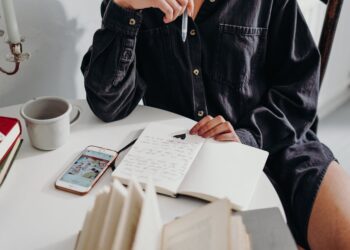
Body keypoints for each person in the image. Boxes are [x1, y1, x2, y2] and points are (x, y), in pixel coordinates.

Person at [81, 0, 350, 249]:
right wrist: (126, 7)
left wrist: (247, 138)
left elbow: (299, 90)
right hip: (187, 167)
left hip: (282, 146)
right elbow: (109, 105)